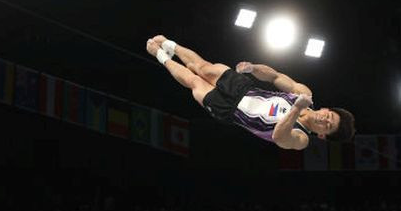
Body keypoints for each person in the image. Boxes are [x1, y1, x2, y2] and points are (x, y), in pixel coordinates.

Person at [146, 35, 354, 149]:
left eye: (328, 126)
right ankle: (168, 43)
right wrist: (253, 68)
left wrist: (296, 109)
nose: (324, 120)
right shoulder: (304, 93)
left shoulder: (301, 139)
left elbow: (279, 136)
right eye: (330, 116)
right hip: (244, 87)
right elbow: (275, 76)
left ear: (322, 135)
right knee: (202, 67)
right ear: (327, 109)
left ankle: (161, 56)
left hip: (230, 111)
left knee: (193, 82)